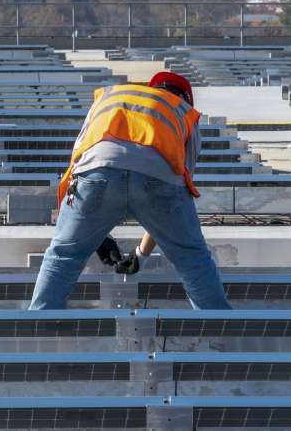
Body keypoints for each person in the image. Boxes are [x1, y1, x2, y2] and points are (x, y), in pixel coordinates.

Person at [29, 71, 230, 310]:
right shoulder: (182, 112)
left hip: (96, 173)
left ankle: (39, 321)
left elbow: (76, 167)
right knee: (193, 260)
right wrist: (141, 256)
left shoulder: (111, 98)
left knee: (63, 256)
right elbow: (176, 190)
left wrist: (98, 238)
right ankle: (218, 330)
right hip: (158, 180)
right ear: (185, 98)